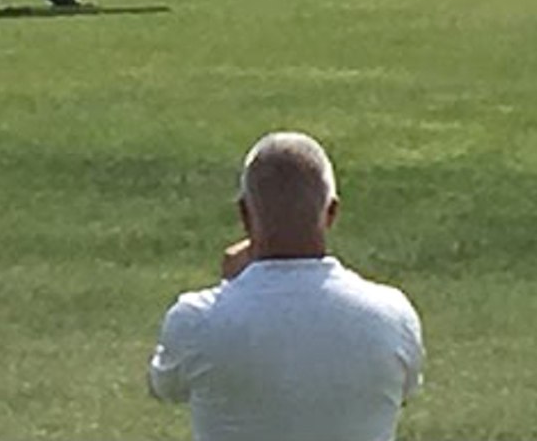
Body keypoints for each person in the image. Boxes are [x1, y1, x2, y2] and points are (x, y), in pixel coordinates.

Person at [147, 131, 424, 441]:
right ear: (330, 213)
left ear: (244, 214)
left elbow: (164, 385)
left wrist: (231, 286)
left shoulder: (196, 320)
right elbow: (406, 389)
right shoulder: (392, 315)